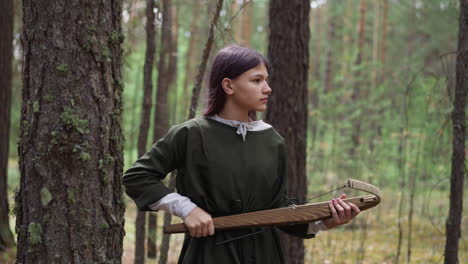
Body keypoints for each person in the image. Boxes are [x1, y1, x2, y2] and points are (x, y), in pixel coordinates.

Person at [122, 45, 360, 264]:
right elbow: (137, 178)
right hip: (209, 253)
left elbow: (278, 207)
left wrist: (323, 221)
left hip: (265, 255)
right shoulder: (191, 134)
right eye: (257, 80)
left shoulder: (272, 140)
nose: (267, 88)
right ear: (228, 86)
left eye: (266, 80)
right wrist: (187, 209)